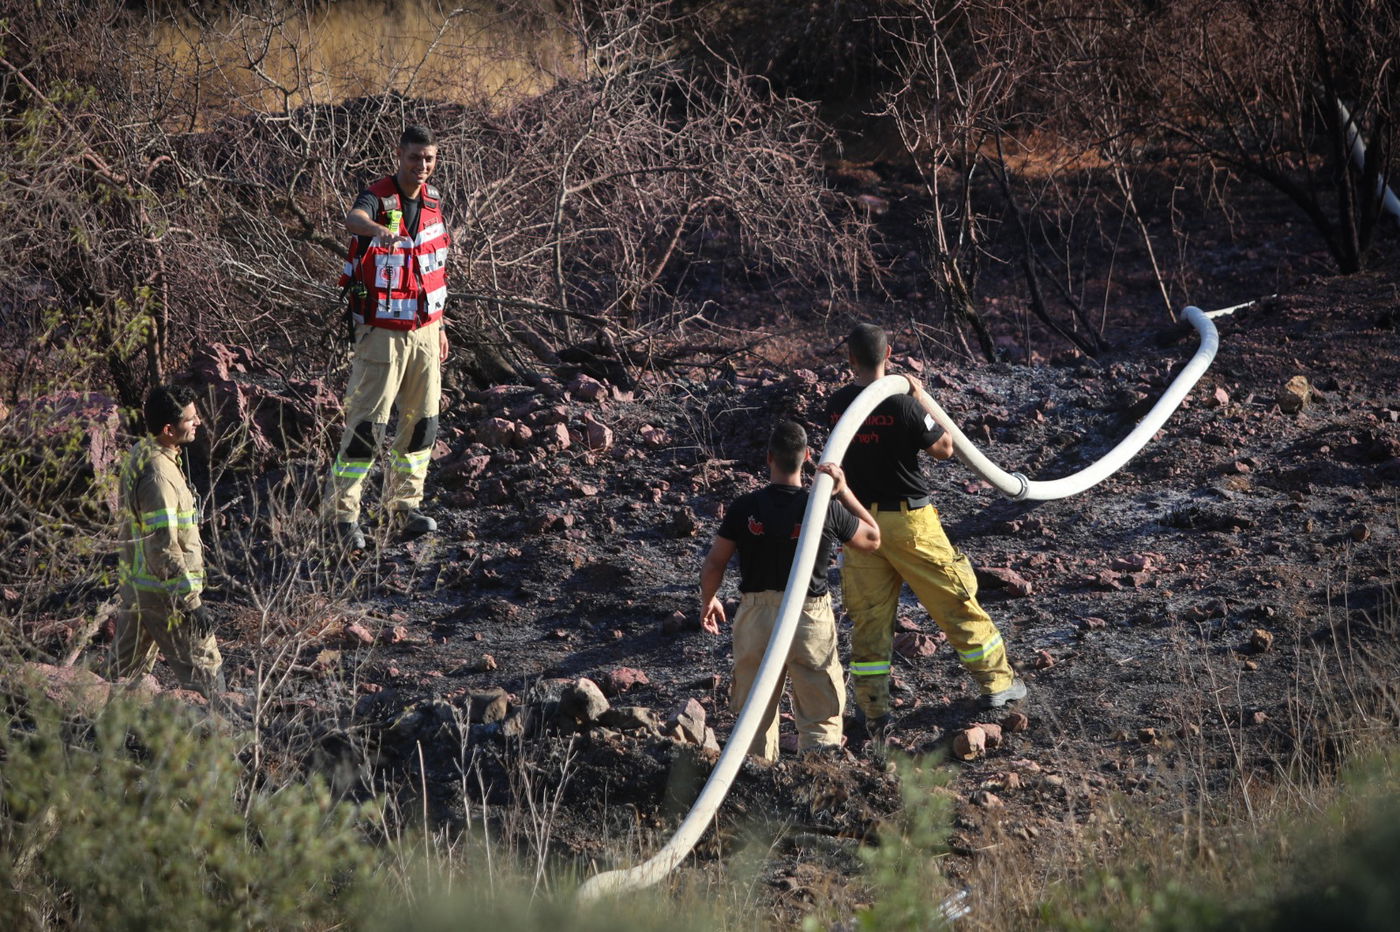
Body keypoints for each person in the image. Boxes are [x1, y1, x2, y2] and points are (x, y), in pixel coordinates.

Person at [827, 323, 1026, 743]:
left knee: (869, 620)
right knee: (954, 599)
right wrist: (921, 401)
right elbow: (945, 448)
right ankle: (998, 685)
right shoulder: (902, 404)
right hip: (909, 523)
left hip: (858, 525)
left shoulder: (838, 403)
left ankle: (872, 710)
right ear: (890, 353)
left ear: (850, 359)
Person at [700, 420, 881, 761]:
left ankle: (754, 792)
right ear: (807, 457)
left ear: (769, 458)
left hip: (756, 616)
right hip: (808, 617)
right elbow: (873, 538)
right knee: (820, 716)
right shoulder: (823, 507)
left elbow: (714, 564)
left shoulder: (744, 508)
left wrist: (708, 601)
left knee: (752, 719)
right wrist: (841, 490)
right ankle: (817, 794)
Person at [327, 125, 451, 550]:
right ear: (399, 155)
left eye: (429, 159)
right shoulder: (377, 197)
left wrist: (441, 325)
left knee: (423, 423)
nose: (422, 167)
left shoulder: (433, 202)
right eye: (415, 158)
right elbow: (352, 219)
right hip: (381, 332)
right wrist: (377, 231)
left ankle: (404, 506)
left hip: (426, 331)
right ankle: (343, 517)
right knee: (367, 426)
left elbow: (432, 270)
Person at [108, 384, 224, 697]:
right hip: (165, 593)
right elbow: (162, 546)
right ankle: (219, 738)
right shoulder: (159, 476)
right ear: (169, 429)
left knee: (122, 674)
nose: (198, 422)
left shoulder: (144, 452)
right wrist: (191, 602)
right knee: (206, 672)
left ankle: (99, 737)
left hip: (138, 586)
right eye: (191, 419)